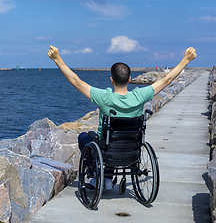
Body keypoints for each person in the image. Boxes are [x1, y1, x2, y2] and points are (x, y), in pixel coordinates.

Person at [48, 45, 197, 189]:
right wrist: (186, 60)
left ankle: (98, 176)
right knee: (112, 140)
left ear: (111, 79)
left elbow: (75, 81)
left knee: (84, 137)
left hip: (107, 150)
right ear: (129, 78)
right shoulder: (140, 96)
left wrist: (57, 59)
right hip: (131, 149)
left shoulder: (104, 97)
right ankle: (106, 179)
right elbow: (167, 80)